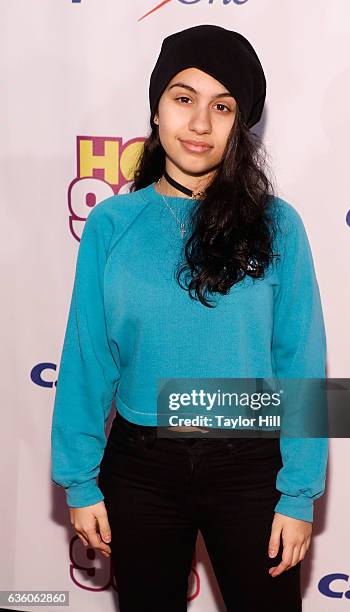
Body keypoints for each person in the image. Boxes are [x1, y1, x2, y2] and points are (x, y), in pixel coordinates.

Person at [51, 24, 328, 612]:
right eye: (184, 98)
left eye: (221, 107)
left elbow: (301, 363)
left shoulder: (280, 226)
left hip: (253, 465)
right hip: (141, 469)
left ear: (240, 125)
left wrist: (298, 493)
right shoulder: (112, 225)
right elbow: (87, 359)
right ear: (156, 109)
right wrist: (79, 481)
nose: (200, 124)